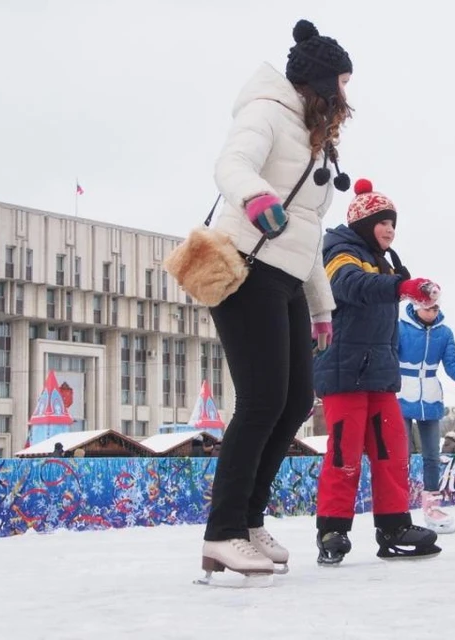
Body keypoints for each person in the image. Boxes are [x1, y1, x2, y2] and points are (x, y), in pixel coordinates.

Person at [200, 18, 354, 579]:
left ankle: (248, 522)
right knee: (263, 400)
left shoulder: (316, 141)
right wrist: (256, 195)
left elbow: (308, 228)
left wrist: (321, 306)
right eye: (340, 84)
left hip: (286, 276)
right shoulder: (265, 110)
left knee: (293, 404)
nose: (345, 97)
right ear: (316, 84)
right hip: (245, 268)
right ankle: (222, 532)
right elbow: (230, 166)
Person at [313, 178, 442, 566]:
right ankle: (332, 530)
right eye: (382, 221)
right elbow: (350, 285)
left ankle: (394, 527)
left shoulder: (383, 260)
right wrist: (403, 286)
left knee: (392, 453)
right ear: (363, 223)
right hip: (344, 372)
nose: (389, 229)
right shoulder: (340, 251)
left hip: (380, 376)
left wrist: (401, 284)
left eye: (393, 223)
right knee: (344, 454)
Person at [397, 301, 455, 534]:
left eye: (435, 309)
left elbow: (452, 364)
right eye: (428, 308)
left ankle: (432, 507)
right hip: (401, 395)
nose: (432, 313)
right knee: (400, 455)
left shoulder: (444, 332)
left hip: (430, 399)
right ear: (416, 305)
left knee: (432, 456)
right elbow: (388, 356)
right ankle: (397, 506)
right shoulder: (400, 327)